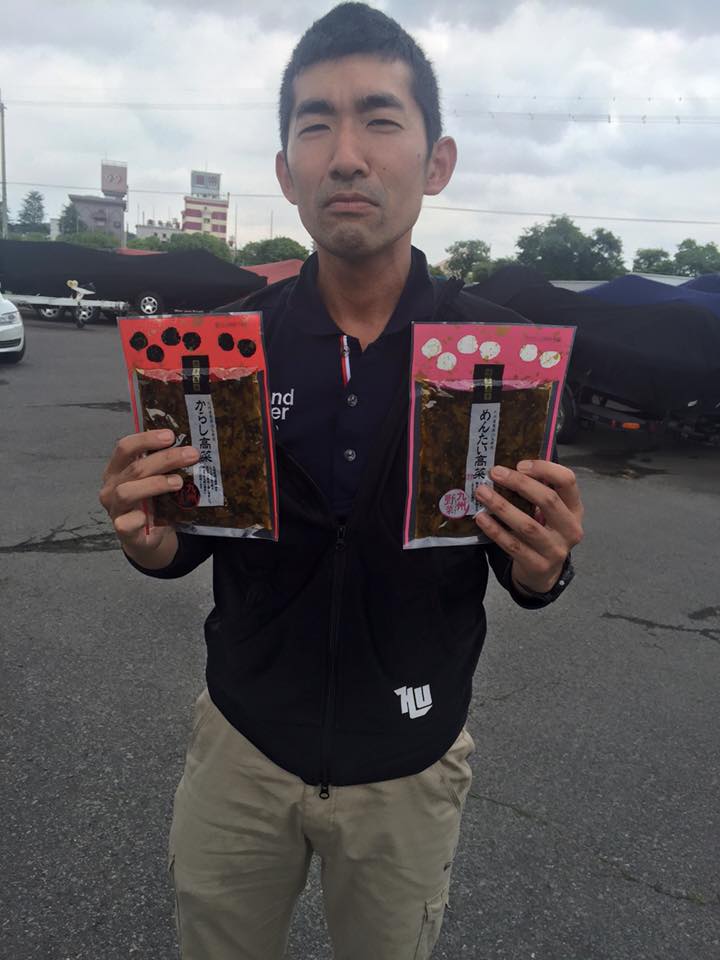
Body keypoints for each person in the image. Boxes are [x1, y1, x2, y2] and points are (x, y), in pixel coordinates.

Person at [99, 4, 584, 958]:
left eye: (380, 119)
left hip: (410, 759)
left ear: (436, 162)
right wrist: (149, 543)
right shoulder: (226, 348)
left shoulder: (497, 357)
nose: (347, 156)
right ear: (287, 172)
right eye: (315, 125)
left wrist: (543, 568)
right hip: (243, 746)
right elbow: (186, 539)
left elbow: (518, 559)